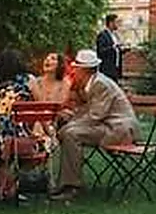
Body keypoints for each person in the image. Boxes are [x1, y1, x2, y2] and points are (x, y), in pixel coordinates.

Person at [51, 48, 140, 200]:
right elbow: (89, 111)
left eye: (76, 68)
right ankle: (67, 183)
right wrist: (71, 117)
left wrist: (71, 124)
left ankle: (71, 186)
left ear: (84, 70)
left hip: (119, 130)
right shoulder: (91, 83)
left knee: (71, 134)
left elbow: (96, 115)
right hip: (109, 125)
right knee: (69, 132)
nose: (74, 71)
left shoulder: (101, 84)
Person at [0, 49, 40, 197]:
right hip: (16, 138)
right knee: (42, 144)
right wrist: (48, 129)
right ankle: (13, 183)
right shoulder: (29, 80)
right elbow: (40, 107)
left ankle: (0, 185)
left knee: (4, 151)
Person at [95, 14, 123, 82]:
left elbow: (116, 50)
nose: (118, 24)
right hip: (107, 70)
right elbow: (101, 51)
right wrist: (113, 47)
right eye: (117, 22)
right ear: (111, 23)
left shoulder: (115, 35)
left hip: (115, 68)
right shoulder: (103, 35)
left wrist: (121, 49)